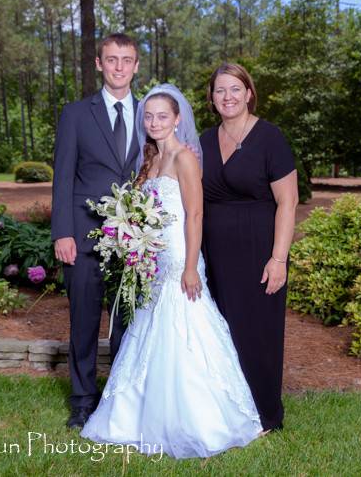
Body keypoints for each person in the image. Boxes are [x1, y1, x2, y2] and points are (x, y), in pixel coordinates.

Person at [80, 84, 262, 459]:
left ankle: (205, 418)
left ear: (178, 119)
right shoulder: (150, 159)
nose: (154, 122)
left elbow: (195, 214)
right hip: (154, 255)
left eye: (163, 116)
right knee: (149, 325)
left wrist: (192, 265)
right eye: (148, 116)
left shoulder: (184, 158)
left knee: (186, 324)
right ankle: (135, 417)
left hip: (180, 254)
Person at [200, 63, 298, 433]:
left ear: (249, 93)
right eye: (220, 90)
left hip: (260, 251)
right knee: (220, 332)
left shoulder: (270, 138)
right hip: (214, 255)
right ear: (211, 98)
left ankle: (265, 416)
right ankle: (227, 411)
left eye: (235, 89)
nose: (228, 97)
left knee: (258, 334)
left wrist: (279, 258)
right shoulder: (204, 141)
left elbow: (288, 202)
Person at [51, 33, 140, 429]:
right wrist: (62, 232)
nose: (119, 66)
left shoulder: (150, 113)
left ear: (136, 66)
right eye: (112, 59)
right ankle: (83, 401)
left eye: (127, 59)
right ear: (99, 64)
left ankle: (120, 400)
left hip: (135, 239)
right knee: (84, 322)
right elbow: (63, 176)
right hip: (84, 236)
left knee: (128, 323)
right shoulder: (75, 114)